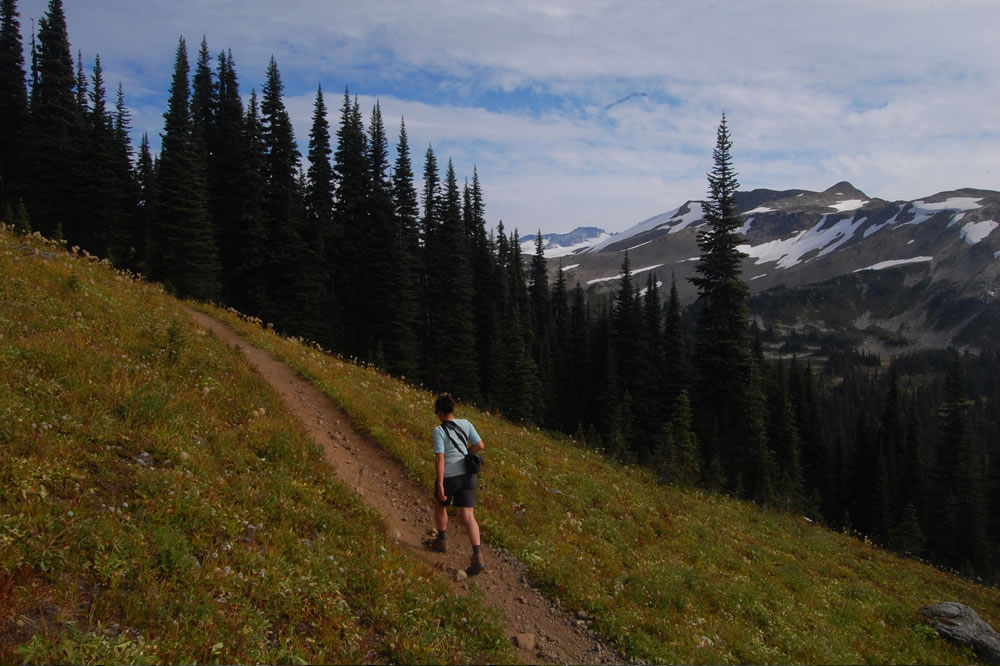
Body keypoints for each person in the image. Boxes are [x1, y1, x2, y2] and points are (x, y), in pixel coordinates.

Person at [430, 393, 485, 575]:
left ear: (439, 412)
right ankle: (477, 556)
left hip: (450, 476)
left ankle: (442, 540)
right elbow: (479, 445)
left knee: (441, 505)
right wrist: (466, 452)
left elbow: (440, 458)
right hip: (468, 476)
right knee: (468, 515)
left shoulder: (439, 431)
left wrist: (440, 483)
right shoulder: (466, 424)